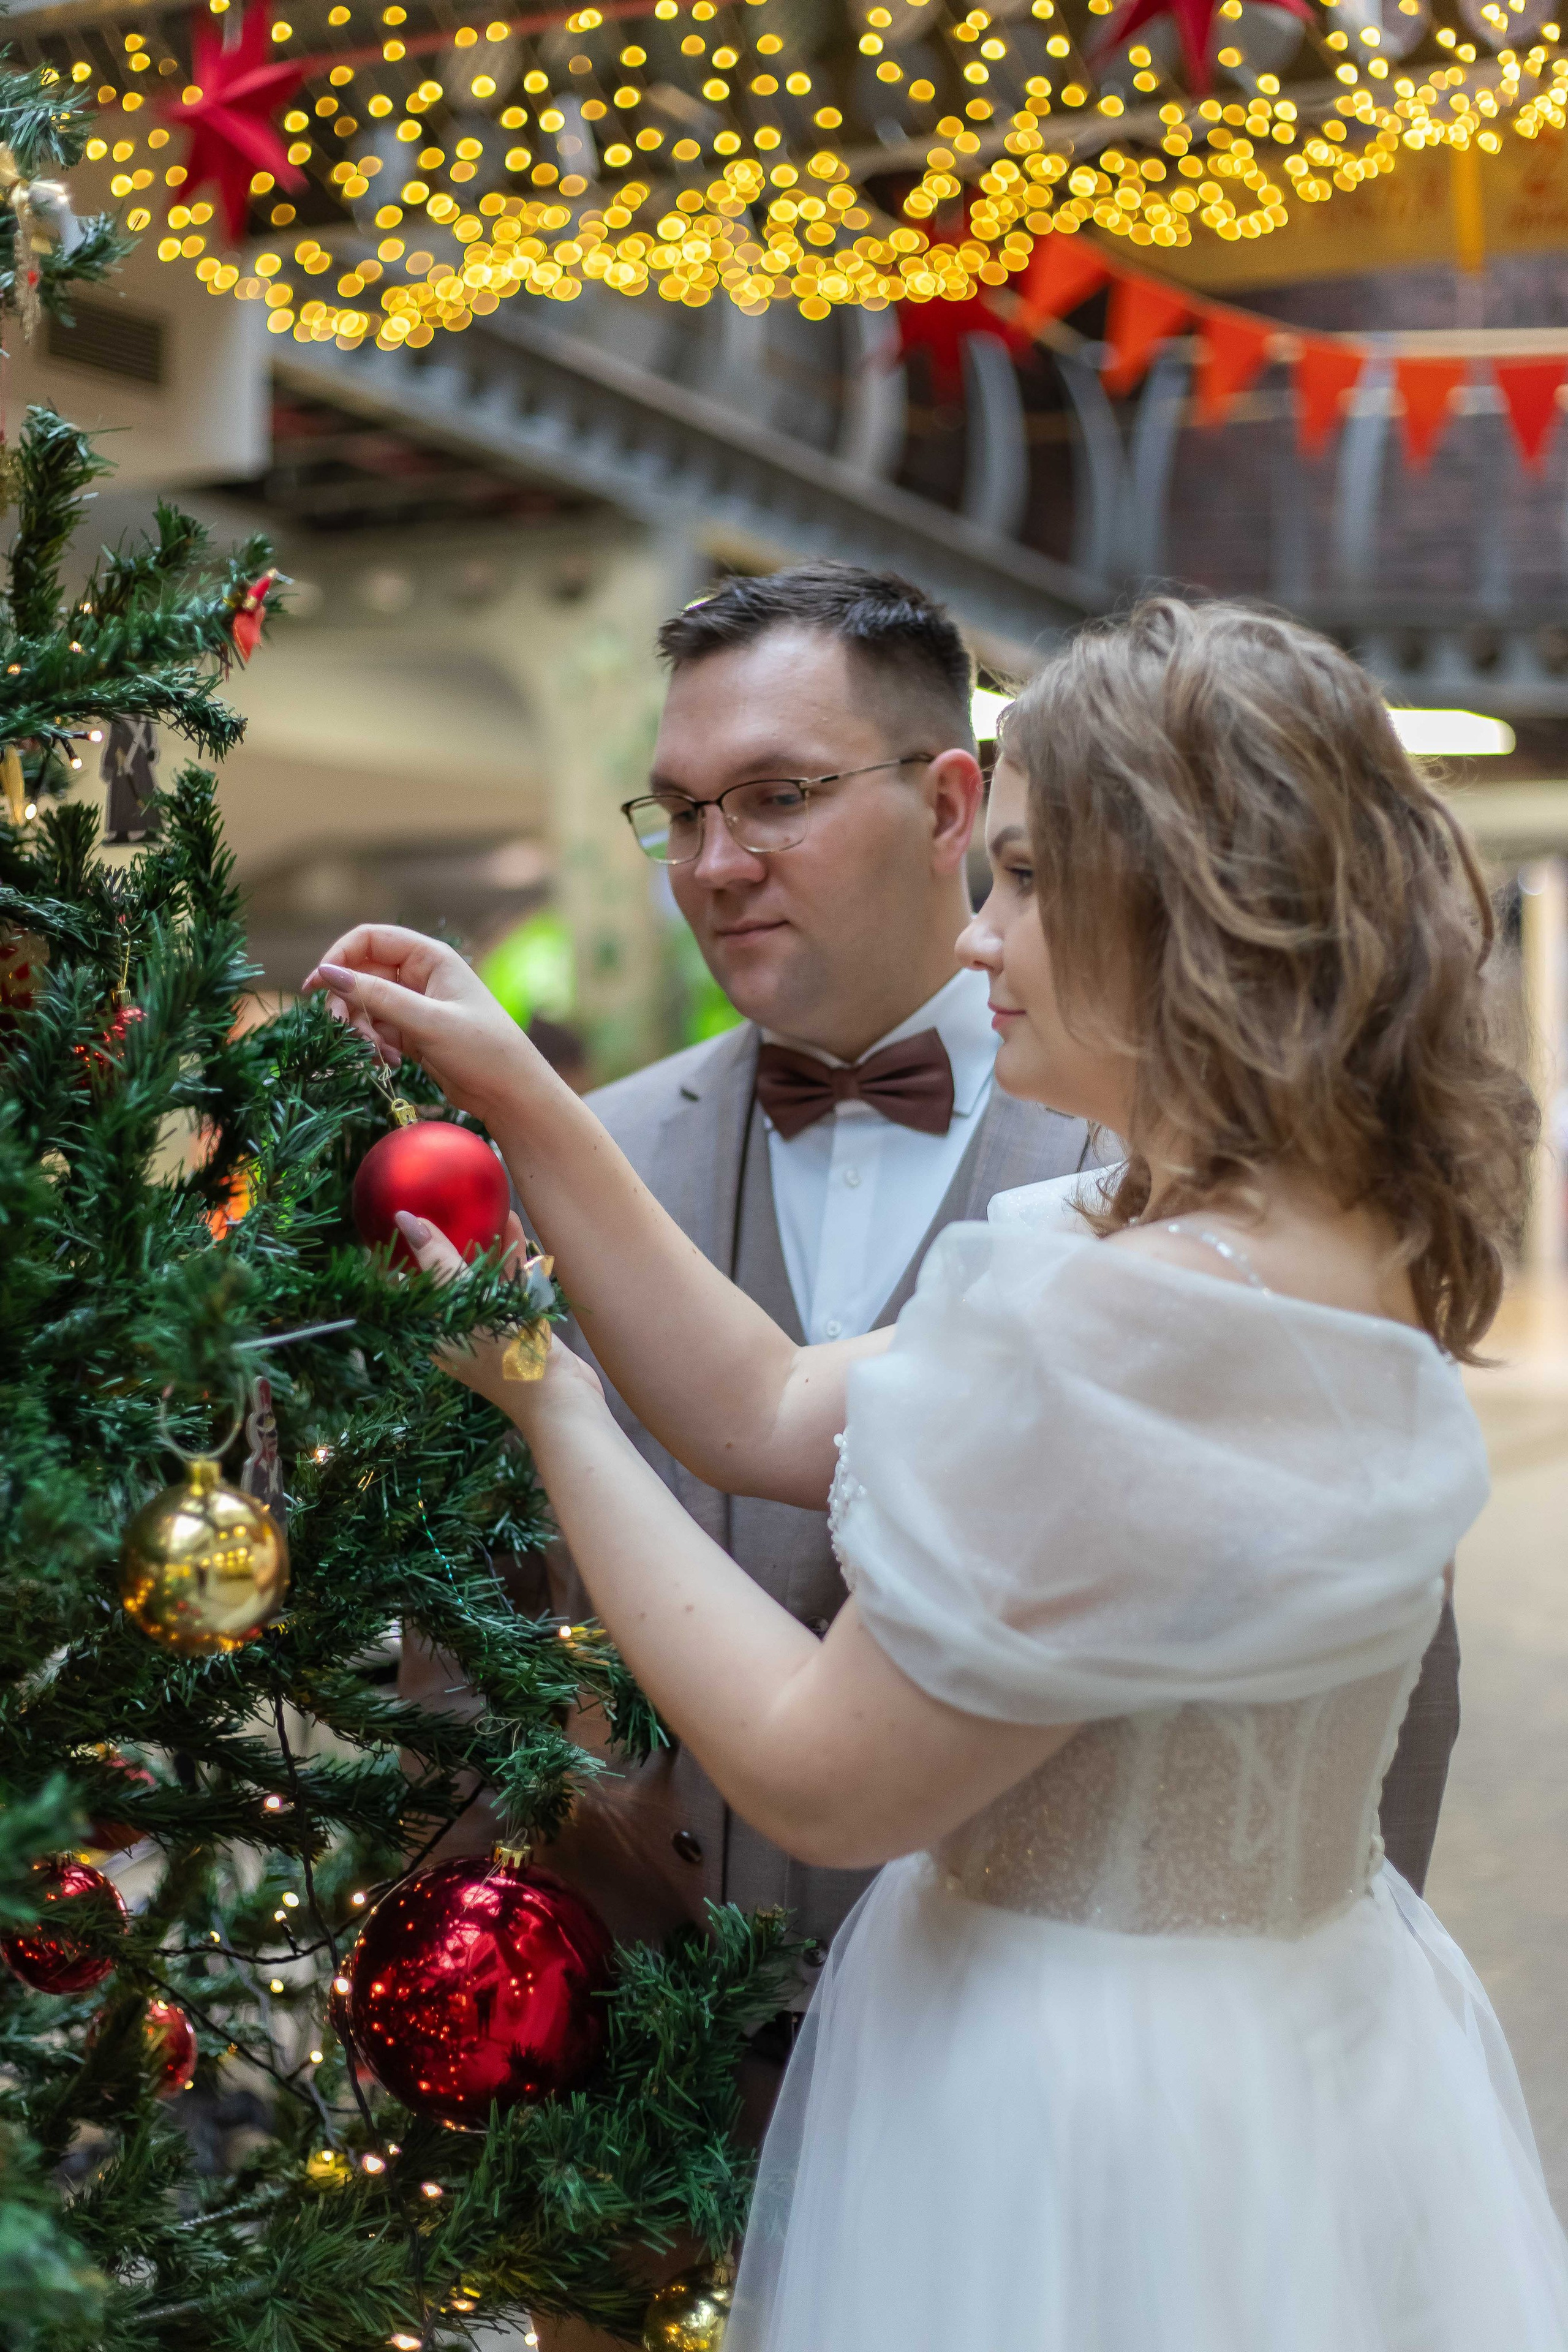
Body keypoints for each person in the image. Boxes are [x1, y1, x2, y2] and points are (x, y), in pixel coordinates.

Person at [308, 596, 1568, 2350]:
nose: (984, 935)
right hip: (1310, 2051)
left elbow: (821, 1780)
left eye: (1032, 879)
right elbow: (761, 1404)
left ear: (1186, 904)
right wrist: (519, 1090)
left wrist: (553, 1406)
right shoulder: (1289, 1236)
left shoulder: (1135, 1322)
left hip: (1076, 2101)